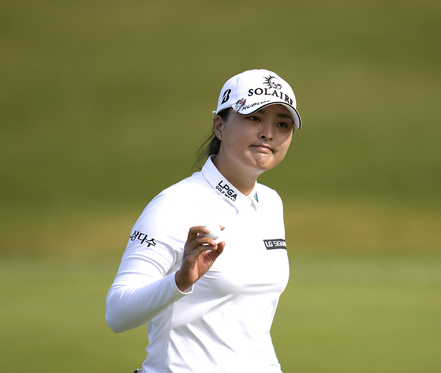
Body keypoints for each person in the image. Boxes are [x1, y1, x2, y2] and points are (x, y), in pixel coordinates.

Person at [105, 69, 302, 373]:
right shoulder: (175, 205)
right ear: (220, 126)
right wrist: (179, 282)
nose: (268, 133)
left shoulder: (271, 203)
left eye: (282, 124)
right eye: (254, 118)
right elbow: (117, 313)